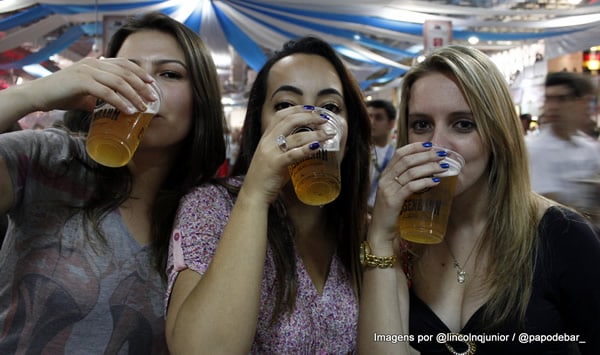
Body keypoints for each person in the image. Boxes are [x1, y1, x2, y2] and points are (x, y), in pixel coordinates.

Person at [0, 12, 225, 353]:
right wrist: (33, 95)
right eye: (126, 71)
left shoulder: (204, 218)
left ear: (200, 102)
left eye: (169, 74)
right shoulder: (49, 158)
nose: (143, 87)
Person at [358, 45, 600, 354]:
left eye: (463, 124)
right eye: (421, 124)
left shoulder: (562, 235)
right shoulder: (401, 241)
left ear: (497, 133)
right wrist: (379, 235)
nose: (437, 145)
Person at [165, 36, 371, 353]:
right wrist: (255, 195)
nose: (310, 121)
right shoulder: (212, 206)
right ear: (260, 123)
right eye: (285, 106)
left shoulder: (361, 229)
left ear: (350, 128)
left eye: (330, 107)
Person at [526, 71, 600, 224]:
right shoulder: (534, 150)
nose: (553, 106)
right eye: (548, 99)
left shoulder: (589, 148)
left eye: (561, 99)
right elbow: (548, 204)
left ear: (578, 103)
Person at [367, 99, 397, 211]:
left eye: (378, 118)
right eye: (369, 116)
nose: (371, 122)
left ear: (391, 123)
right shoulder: (357, 152)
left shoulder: (397, 154)